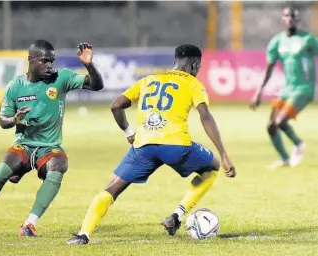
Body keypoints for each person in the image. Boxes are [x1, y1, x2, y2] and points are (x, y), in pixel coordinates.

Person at [67, 44, 236, 245]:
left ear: (175, 62)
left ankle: (83, 234)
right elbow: (205, 116)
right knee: (212, 167)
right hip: (176, 146)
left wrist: (129, 133)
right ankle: (177, 215)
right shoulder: (193, 84)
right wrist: (224, 154)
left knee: (112, 188)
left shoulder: (148, 80)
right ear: (195, 64)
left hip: (144, 146)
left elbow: (116, 106)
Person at [0, 40, 104, 237]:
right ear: (31, 60)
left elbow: (97, 85)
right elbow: (3, 120)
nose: (49, 65)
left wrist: (88, 64)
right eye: (44, 61)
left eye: (51, 61)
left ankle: (29, 224)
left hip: (49, 147)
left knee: (59, 165)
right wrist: (14, 119)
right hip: (23, 145)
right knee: (2, 170)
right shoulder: (15, 86)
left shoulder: (61, 78)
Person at [250, 6, 318, 169]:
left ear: (298, 20)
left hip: (304, 88)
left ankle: (298, 143)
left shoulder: (308, 40)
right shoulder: (277, 41)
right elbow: (269, 68)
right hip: (287, 88)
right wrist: (258, 92)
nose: (290, 19)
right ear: (283, 18)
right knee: (271, 126)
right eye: (287, 16)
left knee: (281, 122)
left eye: (294, 16)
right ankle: (286, 159)